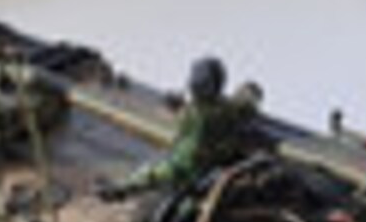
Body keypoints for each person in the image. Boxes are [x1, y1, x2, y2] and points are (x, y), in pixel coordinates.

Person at [99, 57, 258, 200]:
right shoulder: (226, 109)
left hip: (195, 181)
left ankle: (121, 189)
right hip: (212, 172)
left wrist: (124, 188)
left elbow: (179, 165)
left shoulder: (202, 118)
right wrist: (249, 90)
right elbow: (246, 101)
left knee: (156, 181)